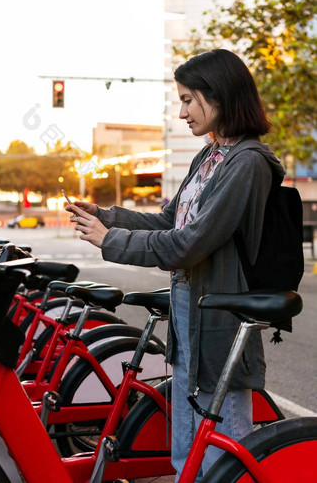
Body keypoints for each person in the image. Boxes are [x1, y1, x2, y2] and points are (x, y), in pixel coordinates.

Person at [66, 49, 286, 480]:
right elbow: (170, 220)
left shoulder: (247, 163)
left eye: (188, 99)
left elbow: (191, 242)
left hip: (221, 311)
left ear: (219, 95)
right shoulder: (208, 158)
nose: (181, 111)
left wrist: (112, 241)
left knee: (223, 430)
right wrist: (106, 215)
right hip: (191, 303)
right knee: (188, 428)